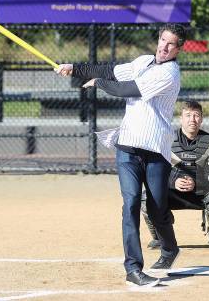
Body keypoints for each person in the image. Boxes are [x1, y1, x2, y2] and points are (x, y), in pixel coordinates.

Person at [55, 24, 186, 287]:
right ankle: (133, 268)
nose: (163, 46)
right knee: (131, 204)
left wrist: (100, 84)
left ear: (178, 49)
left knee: (157, 208)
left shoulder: (170, 73)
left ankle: (170, 248)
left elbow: (130, 89)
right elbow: (110, 70)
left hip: (155, 148)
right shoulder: (144, 61)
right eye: (162, 40)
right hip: (127, 146)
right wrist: (75, 68)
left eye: (171, 44)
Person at [141, 101, 209, 251]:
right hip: (172, 193)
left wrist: (196, 183)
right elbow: (155, 172)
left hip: (198, 194)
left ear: (201, 119)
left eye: (196, 115)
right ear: (180, 119)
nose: (192, 120)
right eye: (188, 115)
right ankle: (159, 237)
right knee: (146, 198)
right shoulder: (166, 139)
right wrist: (173, 182)